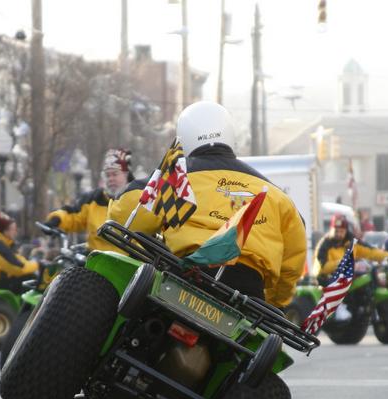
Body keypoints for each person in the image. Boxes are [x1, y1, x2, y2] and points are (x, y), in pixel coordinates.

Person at [108, 101, 307, 308]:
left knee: (131, 326)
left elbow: (128, 218)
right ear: (230, 135)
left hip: (185, 280)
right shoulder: (277, 196)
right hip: (249, 294)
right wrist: (275, 303)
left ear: (183, 139)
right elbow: (291, 265)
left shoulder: (175, 180)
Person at [45, 148, 134, 251]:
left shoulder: (138, 198)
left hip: (131, 262)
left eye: (115, 174)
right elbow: (73, 215)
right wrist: (56, 219)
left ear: (127, 175)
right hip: (96, 262)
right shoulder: (93, 199)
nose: (111, 179)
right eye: (107, 175)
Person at [314, 216, 388, 320]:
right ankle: (339, 307)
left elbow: (370, 251)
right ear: (331, 229)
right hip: (325, 277)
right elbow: (321, 267)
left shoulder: (351, 242)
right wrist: (341, 263)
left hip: (347, 273)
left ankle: (364, 305)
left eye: (341, 231)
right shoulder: (324, 244)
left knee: (367, 277)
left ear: (345, 230)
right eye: (336, 230)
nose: (339, 233)